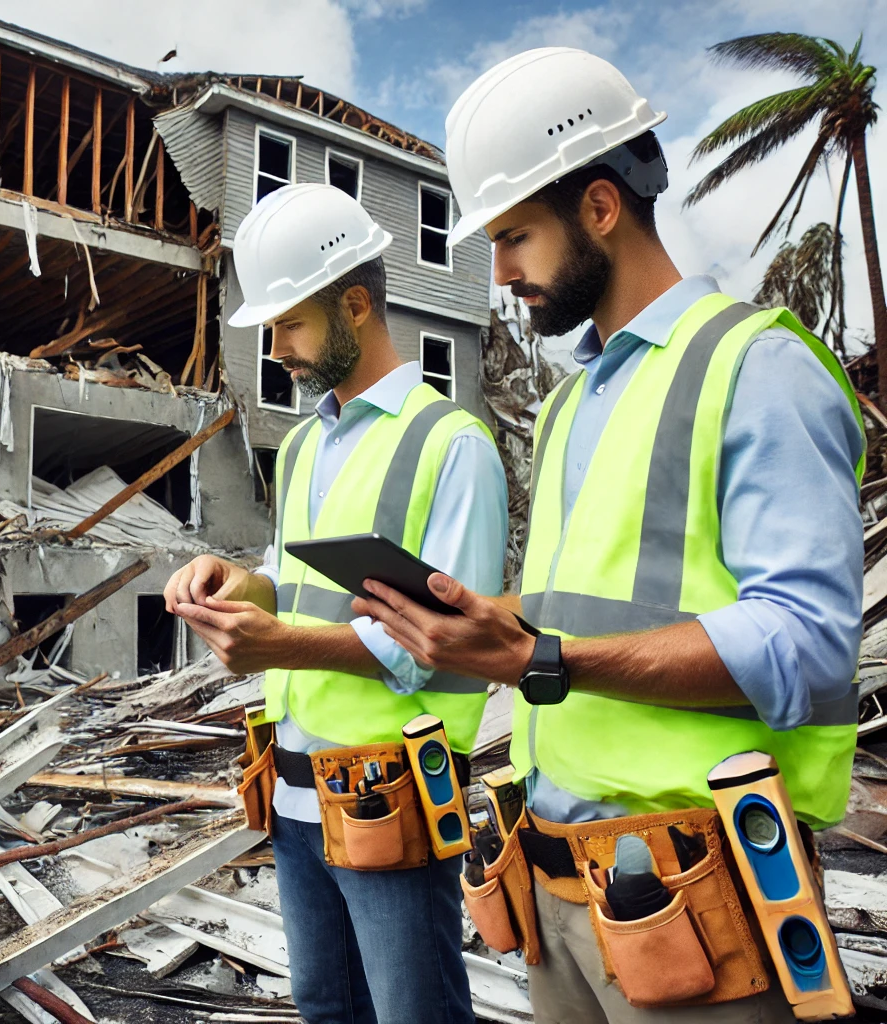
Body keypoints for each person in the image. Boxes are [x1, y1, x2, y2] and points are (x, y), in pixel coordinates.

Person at [352, 48, 865, 1024]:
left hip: (696, 905)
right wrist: (457, 613)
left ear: (598, 207)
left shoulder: (755, 366)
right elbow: (572, 607)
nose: (498, 273)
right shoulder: (573, 400)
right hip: (557, 893)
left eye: (513, 236)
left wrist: (538, 659)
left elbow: (804, 644)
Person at [163, 182, 508, 1024]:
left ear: (356, 303)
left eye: (290, 323)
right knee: (326, 1010)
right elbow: (288, 583)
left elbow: (445, 644)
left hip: (387, 798)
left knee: (411, 1015)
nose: (275, 345)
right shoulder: (307, 442)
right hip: (290, 795)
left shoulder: (452, 446)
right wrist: (228, 581)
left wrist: (276, 644)